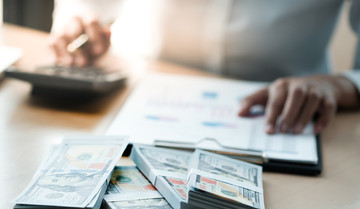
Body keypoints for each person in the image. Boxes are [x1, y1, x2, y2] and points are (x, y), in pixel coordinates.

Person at [48, 0, 360, 134]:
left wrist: (339, 84)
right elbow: (85, 5)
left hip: (290, 117)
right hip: (128, 97)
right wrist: (79, 22)